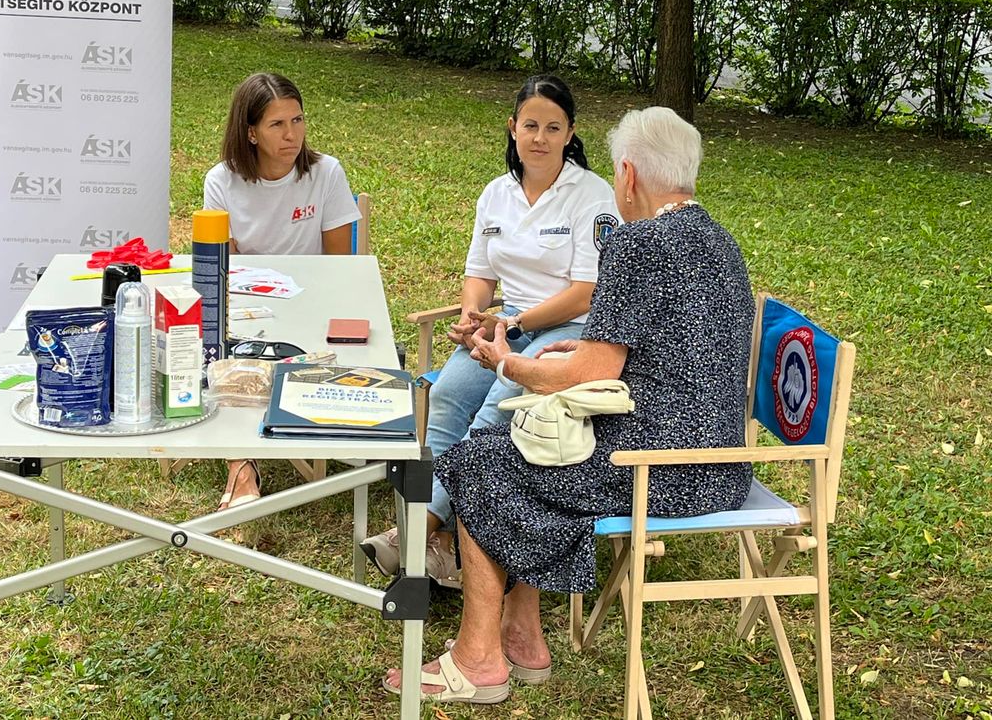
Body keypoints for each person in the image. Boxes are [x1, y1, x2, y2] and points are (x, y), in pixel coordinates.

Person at [383, 106, 755, 704]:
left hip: (655, 471)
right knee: (529, 451)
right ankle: (522, 632)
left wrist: (506, 363)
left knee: (483, 460)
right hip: (721, 468)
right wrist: (573, 349)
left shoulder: (637, 243)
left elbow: (590, 373)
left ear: (627, 175)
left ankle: (479, 660)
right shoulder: (720, 240)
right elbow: (664, 344)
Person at [360, 75, 620, 587]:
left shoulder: (592, 194)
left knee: (496, 407)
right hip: (506, 323)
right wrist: (472, 316)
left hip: (567, 330)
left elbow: (587, 291)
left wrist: (512, 324)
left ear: (570, 134)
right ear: (513, 127)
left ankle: (425, 531)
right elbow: (479, 273)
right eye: (530, 125)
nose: (540, 137)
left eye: (553, 127)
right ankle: (436, 540)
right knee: (451, 394)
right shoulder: (496, 193)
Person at [203, 72, 361, 509]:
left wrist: (314, 307)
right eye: (277, 125)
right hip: (249, 307)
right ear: (250, 133)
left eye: (298, 120)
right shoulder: (221, 181)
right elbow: (224, 269)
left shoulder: (325, 173)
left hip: (313, 301)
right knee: (223, 353)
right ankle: (242, 470)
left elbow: (339, 267)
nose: (292, 134)